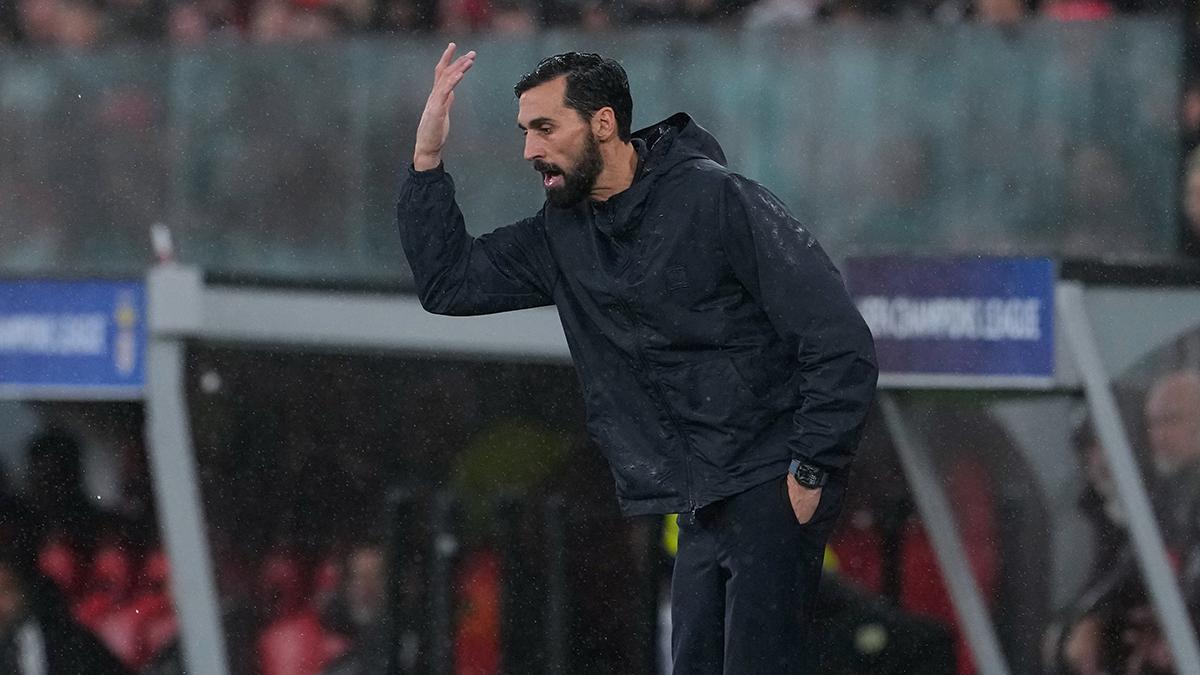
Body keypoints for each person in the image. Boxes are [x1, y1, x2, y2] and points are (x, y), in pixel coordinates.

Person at [396, 47, 878, 674]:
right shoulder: (559, 235)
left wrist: (812, 466)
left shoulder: (717, 198)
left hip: (769, 478)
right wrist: (427, 161)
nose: (529, 151)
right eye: (524, 132)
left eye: (545, 128)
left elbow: (838, 338)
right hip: (700, 502)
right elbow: (449, 284)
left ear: (602, 123)